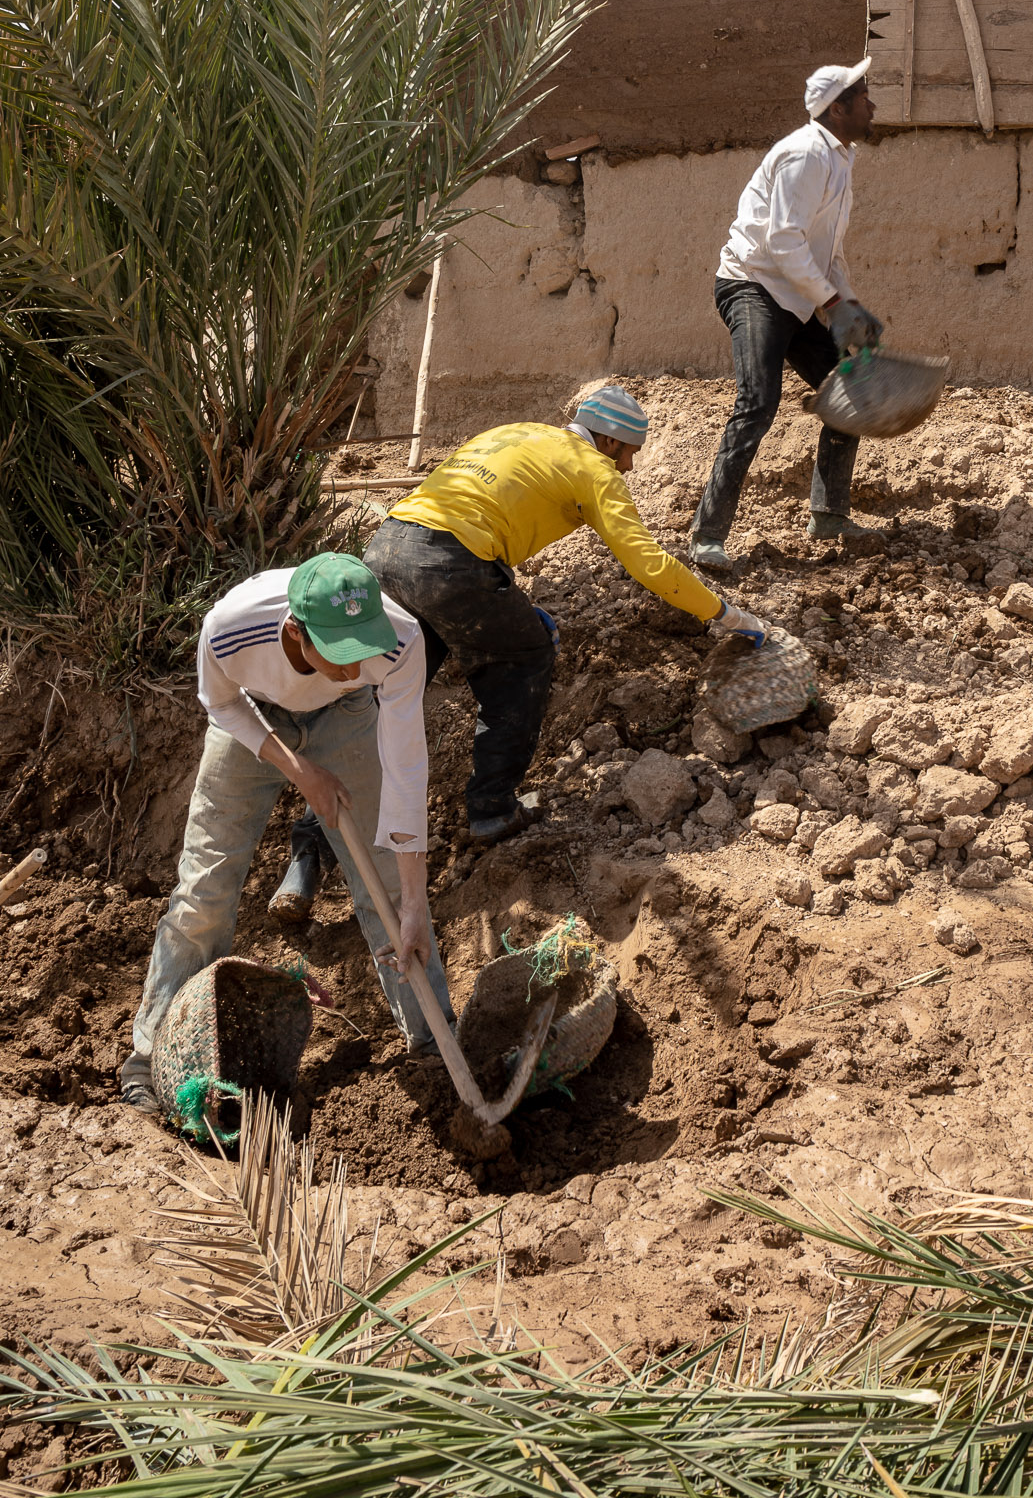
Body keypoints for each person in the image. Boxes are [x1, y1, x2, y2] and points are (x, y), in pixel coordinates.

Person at [120, 553, 451, 1114]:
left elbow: (405, 767)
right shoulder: (232, 627)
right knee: (206, 888)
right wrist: (299, 771)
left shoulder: (400, 641)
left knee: (392, 896)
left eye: (362, 650)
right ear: (295, 633)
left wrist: (415, 896)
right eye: (341, 654)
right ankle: (151, 1056)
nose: (355, 668)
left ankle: (434, 1038)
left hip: (346, 718)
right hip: (254, 717)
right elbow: (220, 701)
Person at [366, 385, 761, 848]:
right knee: (525, 657)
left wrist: (505, 599)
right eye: (629, 452)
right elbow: (650, 564)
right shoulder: (593, 468)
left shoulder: (517, 432)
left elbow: (466, 514)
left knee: (389, 694)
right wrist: (727, 615)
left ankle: (313, 848)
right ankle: (491, 809)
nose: (629, 466)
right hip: (453, 566)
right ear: (610, 441)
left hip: (388, 549)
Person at [689, 60, 889, 572]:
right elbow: (781, 242)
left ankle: (828, 514)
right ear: (837, 108)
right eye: (864, 95)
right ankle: (707, 536)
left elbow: (826, 252)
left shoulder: (840, 158)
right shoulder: (805, 155)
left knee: (848, 393)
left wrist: (847, 303)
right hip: (753, 285)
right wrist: (830, 304)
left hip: (795, 292)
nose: (873, 103)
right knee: (758, 403)